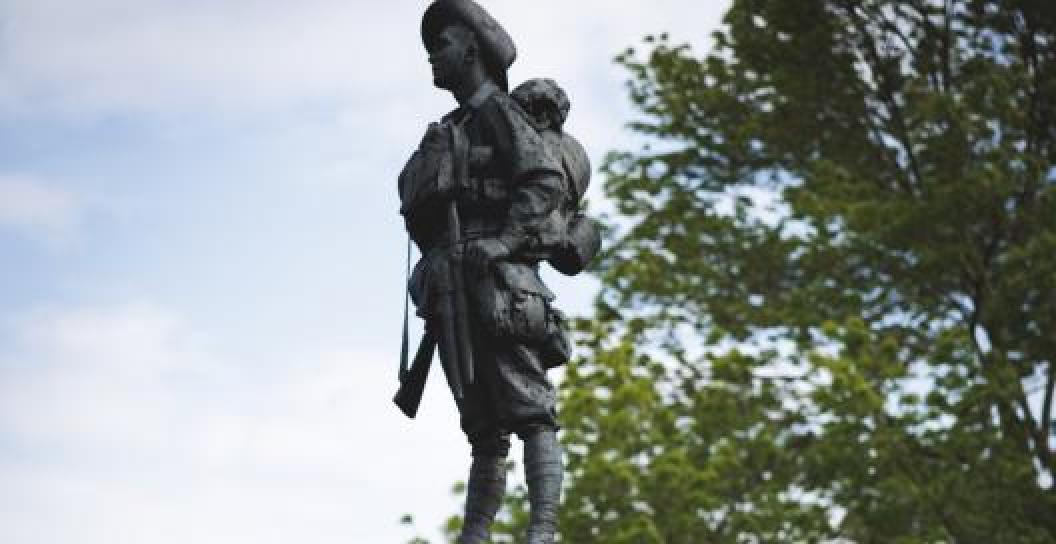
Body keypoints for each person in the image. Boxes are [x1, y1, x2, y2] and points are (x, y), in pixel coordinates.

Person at [394, 1, 592, 543]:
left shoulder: (500, 113)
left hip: (498, 286)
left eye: (442, 46)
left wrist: (504, 242)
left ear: (472, 50)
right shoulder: (449, 126)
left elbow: (543, 179)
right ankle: (475, 534)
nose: (433, 57)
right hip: (452, 287)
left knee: (531, 411)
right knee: (482, 430)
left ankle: (542, 530)